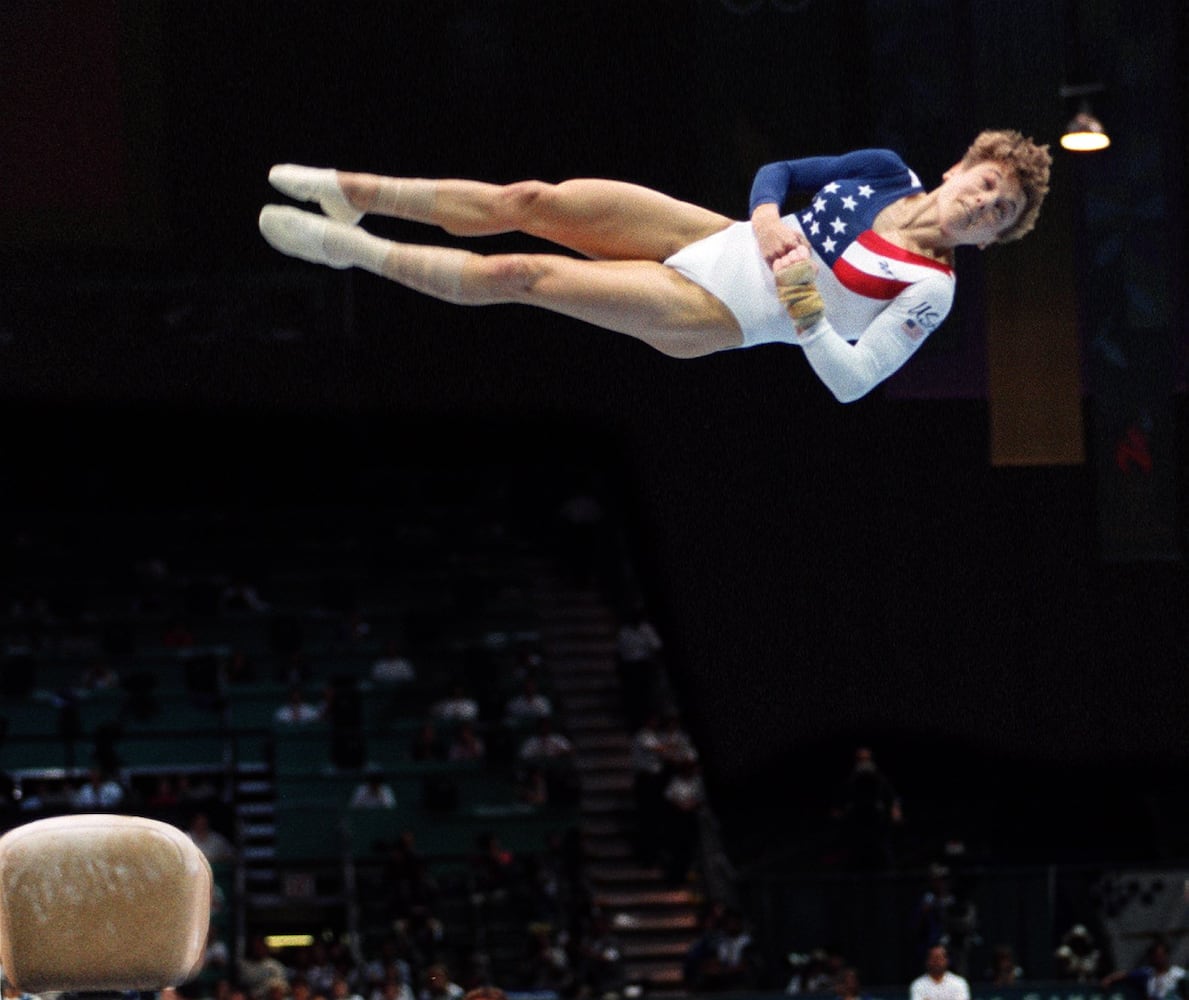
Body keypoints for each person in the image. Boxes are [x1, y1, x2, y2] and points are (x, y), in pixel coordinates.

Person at [259, 130, 1050, 402]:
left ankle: (350, 250)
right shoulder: (885, 169)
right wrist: (769, 222)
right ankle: (349, 191)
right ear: (959, 168)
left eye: (999, 215)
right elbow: (776, 175)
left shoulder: (929, 291)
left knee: (523, 277)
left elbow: (851, 381)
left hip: (719, 312)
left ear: (990, 241)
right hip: (717, 234)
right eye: (985, 186)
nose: (982, 206)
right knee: (531, 197)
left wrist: (803, 300)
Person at [1102, 940, 1187, 1000]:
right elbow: (1126, 974)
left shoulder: (1179, 974)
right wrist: (1109, 979)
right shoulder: (1147, 973)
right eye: (1156, 956)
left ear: (1167, 956)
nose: (1158, 959)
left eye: (1161, 956)